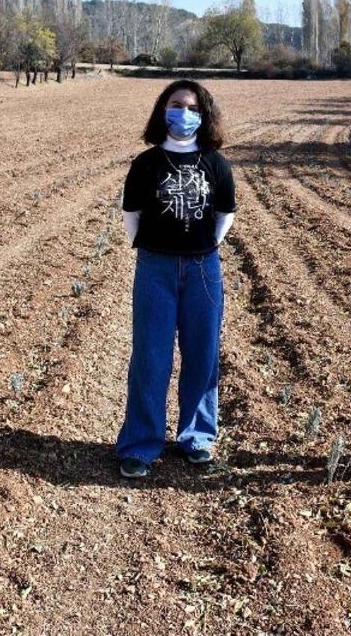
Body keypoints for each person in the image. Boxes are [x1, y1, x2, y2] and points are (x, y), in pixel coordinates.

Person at [116, 79, 237, 479]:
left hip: (204, 269)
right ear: (162, 110)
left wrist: (204, 245)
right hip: (156, 268)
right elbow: (131, 214)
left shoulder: (216, 163)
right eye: (175, 104)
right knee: (151, 356)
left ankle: (197, 436)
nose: (182, 112)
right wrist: (155, 249)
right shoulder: (146, 164)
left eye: (190, 106)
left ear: (203, 115)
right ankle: (140, 443)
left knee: (202, 354)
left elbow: (225, 213)